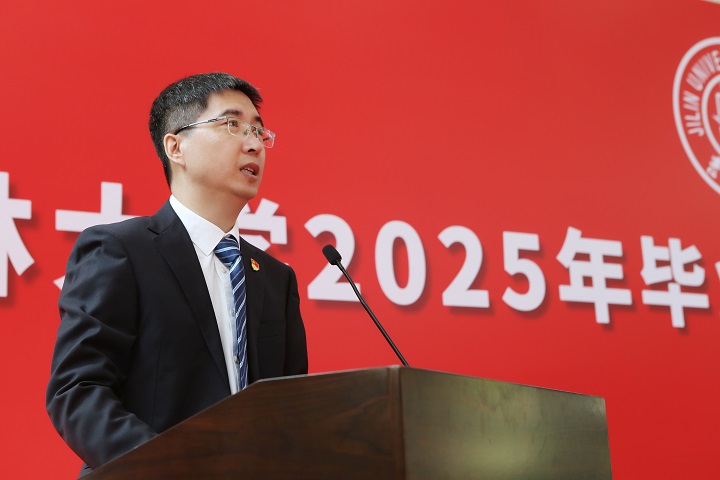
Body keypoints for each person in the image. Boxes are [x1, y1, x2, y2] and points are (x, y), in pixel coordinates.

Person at [46, 72, 308, 476]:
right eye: (232, 124)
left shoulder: (275, 280)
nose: (254, 143)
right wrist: (167, 468)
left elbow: (290, 415)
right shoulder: (120, 250)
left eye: (259, 131)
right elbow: (78, 390)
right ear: (176, 146)